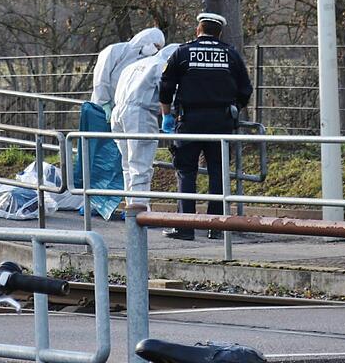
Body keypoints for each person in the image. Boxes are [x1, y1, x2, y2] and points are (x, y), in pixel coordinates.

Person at [158, 13, 252, 241]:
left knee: (186, 172)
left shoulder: (182, 52)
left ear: (198, 30)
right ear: (219, 32)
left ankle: (185, 227)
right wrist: (235, 108)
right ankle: (216, 226)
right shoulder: (230, 54)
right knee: (218, 173)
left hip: (189, 121)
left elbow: (166, 85)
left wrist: (167, 116)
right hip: (221, 122)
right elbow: (246, 89)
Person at [111, 43, 180, 207]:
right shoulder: (161, 66)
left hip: (118, 112)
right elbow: (167, 91)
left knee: (127, 165)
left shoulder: (135, 65)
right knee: (140, 165)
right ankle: (140, 210)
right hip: (139, 115)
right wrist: (171, 113)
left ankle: (131, 206)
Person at [91, 27, 165, 121]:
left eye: (158, 48)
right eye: (155, 45)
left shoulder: (144, 62)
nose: (155, 50)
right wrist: (104, 102)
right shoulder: (115, 51)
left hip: (122, 110)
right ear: (146, 39)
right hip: (101, 106)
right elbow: (101, 77)